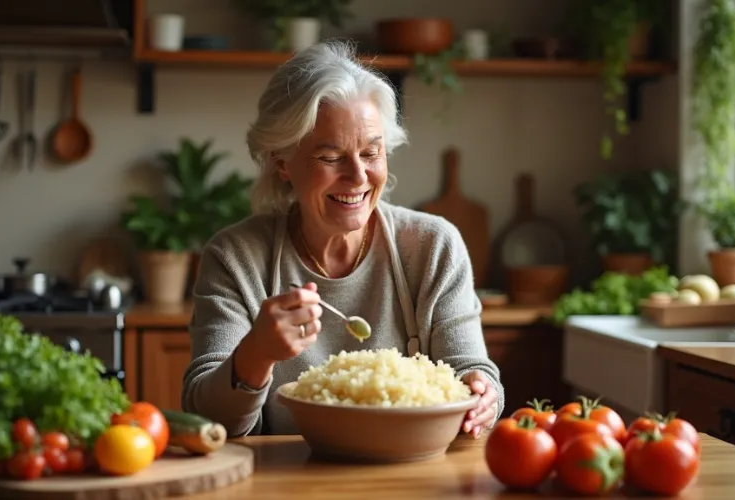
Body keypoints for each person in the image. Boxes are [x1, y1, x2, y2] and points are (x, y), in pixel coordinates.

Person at [182, 39, 504, 439]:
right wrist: (255, 354)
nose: (358, 177)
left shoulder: (433, 246)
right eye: (331, 158)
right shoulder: (235, 258)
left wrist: (483, 392)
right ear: (282, 162)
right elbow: (207, 419)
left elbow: (471, 369)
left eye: (371, 153)